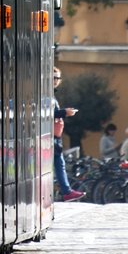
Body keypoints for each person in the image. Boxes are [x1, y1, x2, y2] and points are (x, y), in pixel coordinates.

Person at [53, 66, 84, 201]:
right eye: (54, 78)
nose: (56, 80)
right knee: (59, 164)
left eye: (58, 78)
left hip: (55, 136)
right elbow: (46, 114)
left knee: (59, 163)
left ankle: (66, 191)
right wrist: (64, 113)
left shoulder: (51, 95)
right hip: (50, 137)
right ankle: (66, 191)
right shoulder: (47, 95)